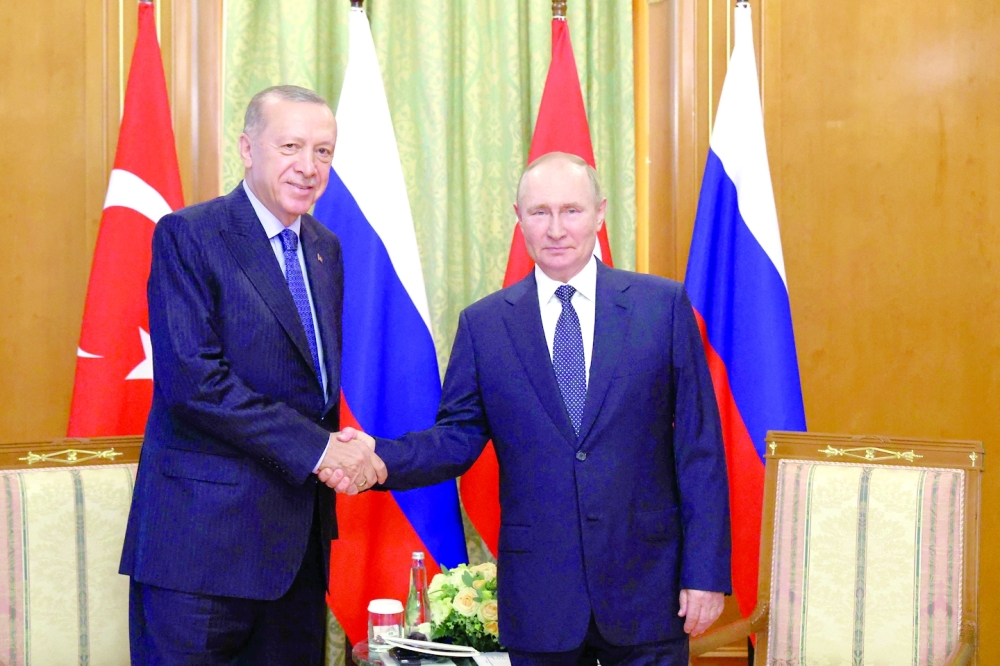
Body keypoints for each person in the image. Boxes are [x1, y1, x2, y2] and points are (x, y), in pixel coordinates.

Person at [326, 152, 731, 665]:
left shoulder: (662, 306)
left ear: (600, 214)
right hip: (542, 598)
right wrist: (378, 457)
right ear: (519, 220)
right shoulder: (486, 325)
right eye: (539, 212)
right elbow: (456, 437)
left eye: (572, 211)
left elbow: (699, 450)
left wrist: (705, 574)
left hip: (648, 589)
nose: (556, 229)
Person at [120, 85, 385, 665]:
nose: (308, 166)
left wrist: (338, 448)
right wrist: (321, 451)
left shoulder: (325, 248)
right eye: (290, 146)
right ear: (246, 147)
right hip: (201, 551)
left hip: (297, 552)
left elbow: (310, 387)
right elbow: (196, 385)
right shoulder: (190, 235)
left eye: (323, 151)